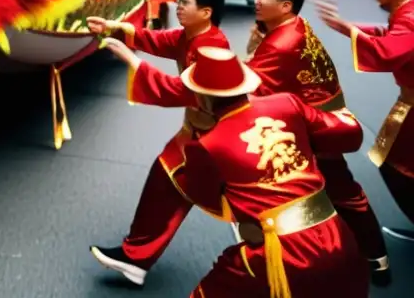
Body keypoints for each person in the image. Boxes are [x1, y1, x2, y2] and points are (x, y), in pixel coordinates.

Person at [104, 42, 369, 297]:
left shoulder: (205, 145)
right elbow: (349, 133)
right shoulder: (288, 103)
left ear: (203, 98)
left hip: (279, 253)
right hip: (337, 234)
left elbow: (209, 199)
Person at [247, 0, 390, 284]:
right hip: (327, 122)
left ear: (286, 5)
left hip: (313, 131)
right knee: (341, 192)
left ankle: (299, 266)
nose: (256, 1)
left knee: (300, 193)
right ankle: (373, 257)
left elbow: (246, 86)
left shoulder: (279, 44)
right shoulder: (295, 25)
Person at [86, 0, 232, 284]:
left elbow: (177, 90)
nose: (178, 7)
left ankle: (136, 256)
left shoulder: (212, 48)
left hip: (218, 140)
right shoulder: (191, 36)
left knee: (178, 186)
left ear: (206, 12)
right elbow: (156, 40)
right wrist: (112, 28)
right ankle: (135, 256)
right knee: (168, 185)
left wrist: (131, 61)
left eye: (185, 3)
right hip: (199, 134)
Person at [317, 0, 414, 241]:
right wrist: (348, 28)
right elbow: (389, 35)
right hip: (407, 102)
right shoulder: (406, 12)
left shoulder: (409, 18)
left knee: (396, 166)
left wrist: (346, 27)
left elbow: (387, 51)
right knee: (390, 161)